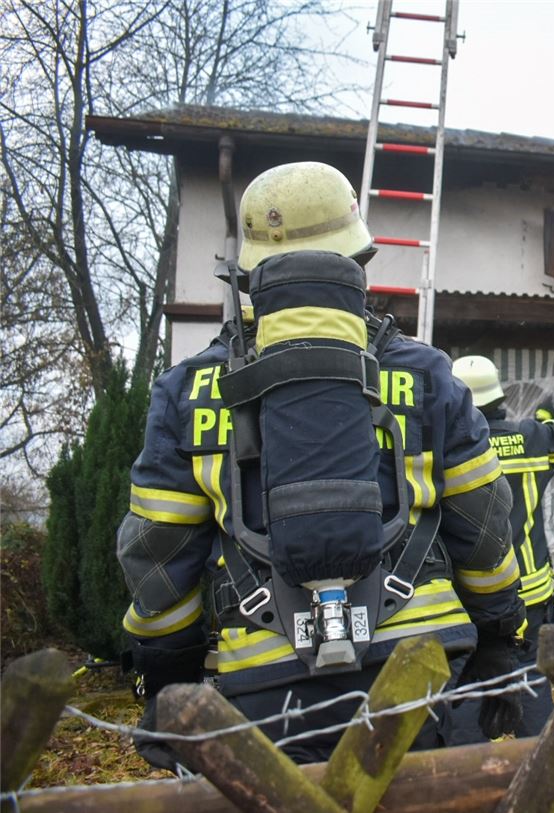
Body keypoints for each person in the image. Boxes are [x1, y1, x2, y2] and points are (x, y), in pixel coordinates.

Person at [116, 161, 525, 768]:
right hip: (424, 669)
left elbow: (157, 553)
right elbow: (483, 522)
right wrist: (498, 637)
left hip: (265, 689)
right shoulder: (426, 374)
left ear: (248, 277)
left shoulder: (189, 391)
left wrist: (166, 676)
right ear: (357, 263)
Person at [449, 355, 554, 740]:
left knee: (469, 687)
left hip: (471, 599)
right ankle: (540, 765)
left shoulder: (450, 451)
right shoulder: (533, 439)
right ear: (499, 397)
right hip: (530, 597)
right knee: (530, 682)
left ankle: (467, 770)